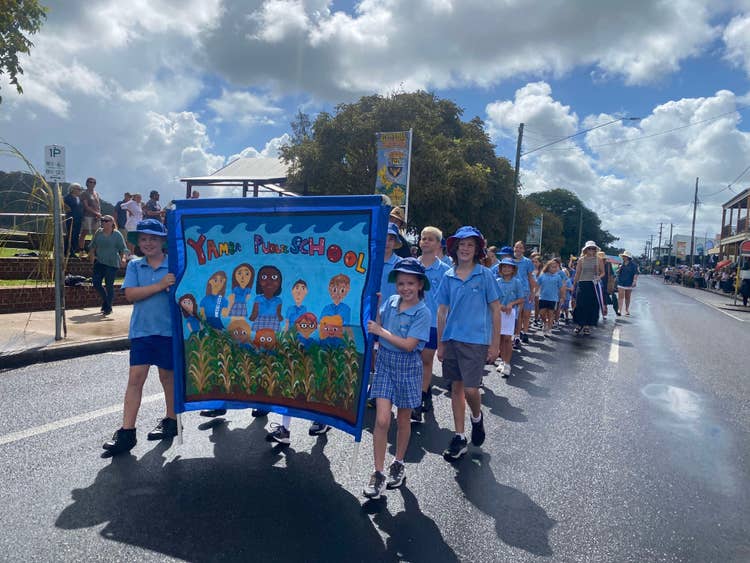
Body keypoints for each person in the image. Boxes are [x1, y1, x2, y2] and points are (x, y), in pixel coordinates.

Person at [101, 219, 177, 456]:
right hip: (142, 332)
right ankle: (127, 432)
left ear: (163, 241)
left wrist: (174, 287)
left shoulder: (174, 266)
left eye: (153, 238)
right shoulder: (135, 266)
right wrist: (160, 285)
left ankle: (171, 421)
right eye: (143, 239)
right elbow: (131, 295)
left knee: (167, 378)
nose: (148, 243)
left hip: (168, 332)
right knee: (136, 378)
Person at [363, 258, 431, 499]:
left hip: (408, 368)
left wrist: (381, 332)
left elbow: (410, 345)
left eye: (410, 283)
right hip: (385, 364)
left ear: (420, 284)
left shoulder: (423, 312)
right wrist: (377, 307)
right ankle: (378, 472)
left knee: (403, 420)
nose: (405, 288)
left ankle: (398, 462)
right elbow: (379, 324)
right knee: (381, 420)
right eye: (401, 283)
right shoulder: (391, 301)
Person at [436, 226, 501, 460]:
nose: (465, 249)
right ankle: (459, 436)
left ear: (477, 250)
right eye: (461, 244)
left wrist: (495, 345)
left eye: (470, 245)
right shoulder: (448, 276)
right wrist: (441, 344)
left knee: (471, 389)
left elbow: (495, 310)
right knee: (456, 388)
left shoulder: (484, 275)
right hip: (452, 339)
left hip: (476, 341)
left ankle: (477, 417)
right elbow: (442, 311)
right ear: (455, 248)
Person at [411, 226, 450, 422]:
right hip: (410, 321)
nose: (425, 241)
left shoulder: (445, 270)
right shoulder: (411, 265)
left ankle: (420, 397)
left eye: (430, 239)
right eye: (423, 238)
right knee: (412, 360)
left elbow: (447, 301)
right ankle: (417, 395)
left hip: (433, 323)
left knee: (426, 360)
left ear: (438, 244)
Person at [89, 215, 127, 316]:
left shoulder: (117, 234)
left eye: (106, 221)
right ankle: (107, 302)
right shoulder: (98, 233)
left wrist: (123, 258)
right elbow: (93, 246)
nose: (104, 222)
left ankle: (108, 307)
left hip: (112, 263)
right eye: (102, 221)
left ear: (112, 223)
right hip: (100, 262)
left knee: (109, 285)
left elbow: (123, 249)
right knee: (96, 283)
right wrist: (92, 256)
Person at [494, 258, 524, 378]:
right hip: (499, 312)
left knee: (507, 338)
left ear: (513, 269)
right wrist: (499, 305)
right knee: (500, 337)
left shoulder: (517, 282)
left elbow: (521, 298)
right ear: (500, 269)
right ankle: (502, 360)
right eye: (503, 267)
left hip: (510, 314)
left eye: (509, 267)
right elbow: (493, 297)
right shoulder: (497, 281)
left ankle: (507, 363)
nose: (506, 269)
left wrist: (512, 304)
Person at [572, 241, 605, 335]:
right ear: (586, 249)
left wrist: (599, 276)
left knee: (591, 305)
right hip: (582, 283)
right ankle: (579, 324)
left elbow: (603, 272)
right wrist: (574, 285)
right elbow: (577, 273)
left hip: (593, 284)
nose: (591, 250)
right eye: (589, 248)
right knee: (580, 304)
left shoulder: (598, 259)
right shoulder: (581, 260)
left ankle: (587, 325)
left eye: (593, 248)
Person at [512, 241, 537, 348]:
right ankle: (515, 335)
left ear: (523, 250)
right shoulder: (509, 261)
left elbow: (530, 277)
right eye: (516, 247)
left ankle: (522, 334)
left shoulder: (527, 262)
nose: (518, 249)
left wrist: (532, 292)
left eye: (520, 248)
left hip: (524, 291)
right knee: (516, 315)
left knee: (525, 314)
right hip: (512, 291)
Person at [536, 259, 565, 337]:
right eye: (553, 267)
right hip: (543, 297)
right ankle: (545, 322)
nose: (554, 269)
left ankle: (549, 328)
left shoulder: (558, 277)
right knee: (541, 313)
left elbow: (561, 288)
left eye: (556, 267)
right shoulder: (542, 276)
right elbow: (537, 285)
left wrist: (562, 297)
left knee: (551, 314)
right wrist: (533, 294)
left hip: (553, 299)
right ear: (548, 267)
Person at [79, 177, 101, 253]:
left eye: (94, 182)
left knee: (96, 234)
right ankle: (81, 250)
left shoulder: (96, 193)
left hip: (96, 217)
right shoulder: (84, 193)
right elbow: (86, 206)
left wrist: (98, 214)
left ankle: (93, 250)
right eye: (90, 182)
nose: (92, 184)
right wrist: (96, 213)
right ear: (87, 183)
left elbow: (98, 205)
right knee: (84, 232)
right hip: (87, 216)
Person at [63, 183, 84, 258]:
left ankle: (73, 251)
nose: (80, 191)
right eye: (78, 189)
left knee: (75, 235)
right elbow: (64, 206)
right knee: (70, 235)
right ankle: (66, 251)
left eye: (80, 189)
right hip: (71, 219)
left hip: (78, 220)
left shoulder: (78, 198)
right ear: (73, 189)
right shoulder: (67, 197)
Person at [616, 251, 639, 315]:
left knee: (627, 296)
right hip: (621, 281)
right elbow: (617, 272)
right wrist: (619, 269)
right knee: (620, 296)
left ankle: (626, 309)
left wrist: (634, 281)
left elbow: (636, 273)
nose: (623, 257)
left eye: (624, 256)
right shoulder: (621, 264)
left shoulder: (633, 265)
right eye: (623, 256)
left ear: (628, 257)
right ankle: (619, 309)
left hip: (629, 282)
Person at [598, 251, 619, 317]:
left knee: (606, 300)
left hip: (606, 284)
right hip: (597, 284)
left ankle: (606, 312)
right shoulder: (595, 264)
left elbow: (612, 275)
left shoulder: (608, 264)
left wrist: (612, 285)